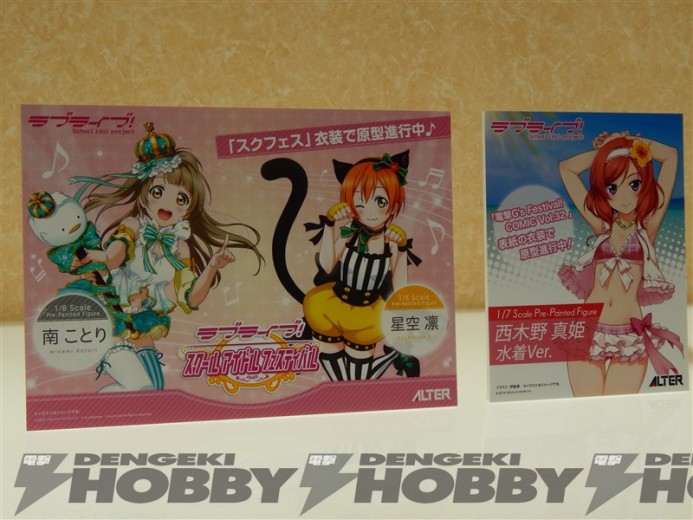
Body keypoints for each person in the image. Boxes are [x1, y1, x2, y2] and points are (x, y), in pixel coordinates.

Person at [74, 122, 263, 391]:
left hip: (142, 323)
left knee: (155, 387)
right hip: (112, 311)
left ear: (188, 209)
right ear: (144, 197)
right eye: (158, 192)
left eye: (181, 199)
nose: (169, 204)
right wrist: (98, 256)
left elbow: (189, 297)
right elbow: (115, 256)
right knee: (143, 387)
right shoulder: (133, 227)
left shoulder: (180, 248)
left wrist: (212, 266)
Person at [557, 131, 683, 396]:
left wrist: (633, 145)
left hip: (629, 333)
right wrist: (607, 151)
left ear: (645, 185)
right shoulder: (601, 224)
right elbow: (566, 169)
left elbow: (671, 156)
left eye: (634, 184)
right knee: (586, 411)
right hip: (587, 328)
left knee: (621, 414)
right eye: (612, 187)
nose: (624, 196)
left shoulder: (647, 227)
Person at [303, 151, 420, 380]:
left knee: (358, 376)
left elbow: (400, 289)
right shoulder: (350, 232)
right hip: (331, 305)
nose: (370, 211)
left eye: (380, 201)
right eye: (359, 201)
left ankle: (390, 357)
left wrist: (402, 249)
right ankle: (388, 360)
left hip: (368, 314)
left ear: (393, 205)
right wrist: (330, 225)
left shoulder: (391, 241)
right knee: (335, 370)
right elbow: (326, 264)